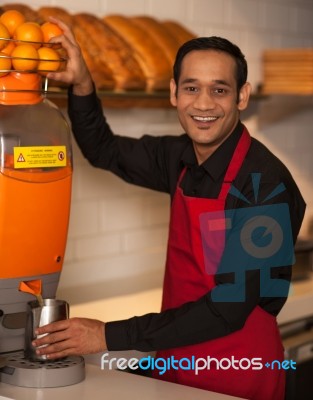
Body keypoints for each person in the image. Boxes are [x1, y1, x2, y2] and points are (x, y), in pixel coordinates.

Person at [33, 19, 306, 400]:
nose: (204, 103)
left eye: (220, 89)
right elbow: (104, 150)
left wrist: (105, 335)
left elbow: (228, 309)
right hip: (175, 359)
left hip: (238, 370)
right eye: (192, 87)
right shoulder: (179, 156)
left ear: (242, 97)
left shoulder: (264, 184)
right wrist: (82, 84)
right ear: (175, 93)